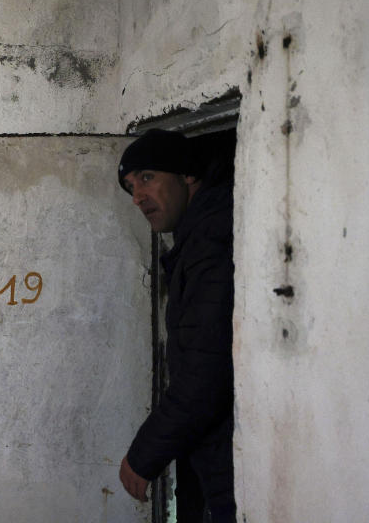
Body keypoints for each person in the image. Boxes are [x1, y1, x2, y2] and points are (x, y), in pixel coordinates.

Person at [115, 128, 236, 522]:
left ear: (187, 175)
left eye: (147, 177)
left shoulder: (211, 242)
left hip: (232, 466)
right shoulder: (196, 237)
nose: (137, 197)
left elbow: (205, 371)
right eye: (131, 187)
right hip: (215, 461)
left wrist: (143, 455)